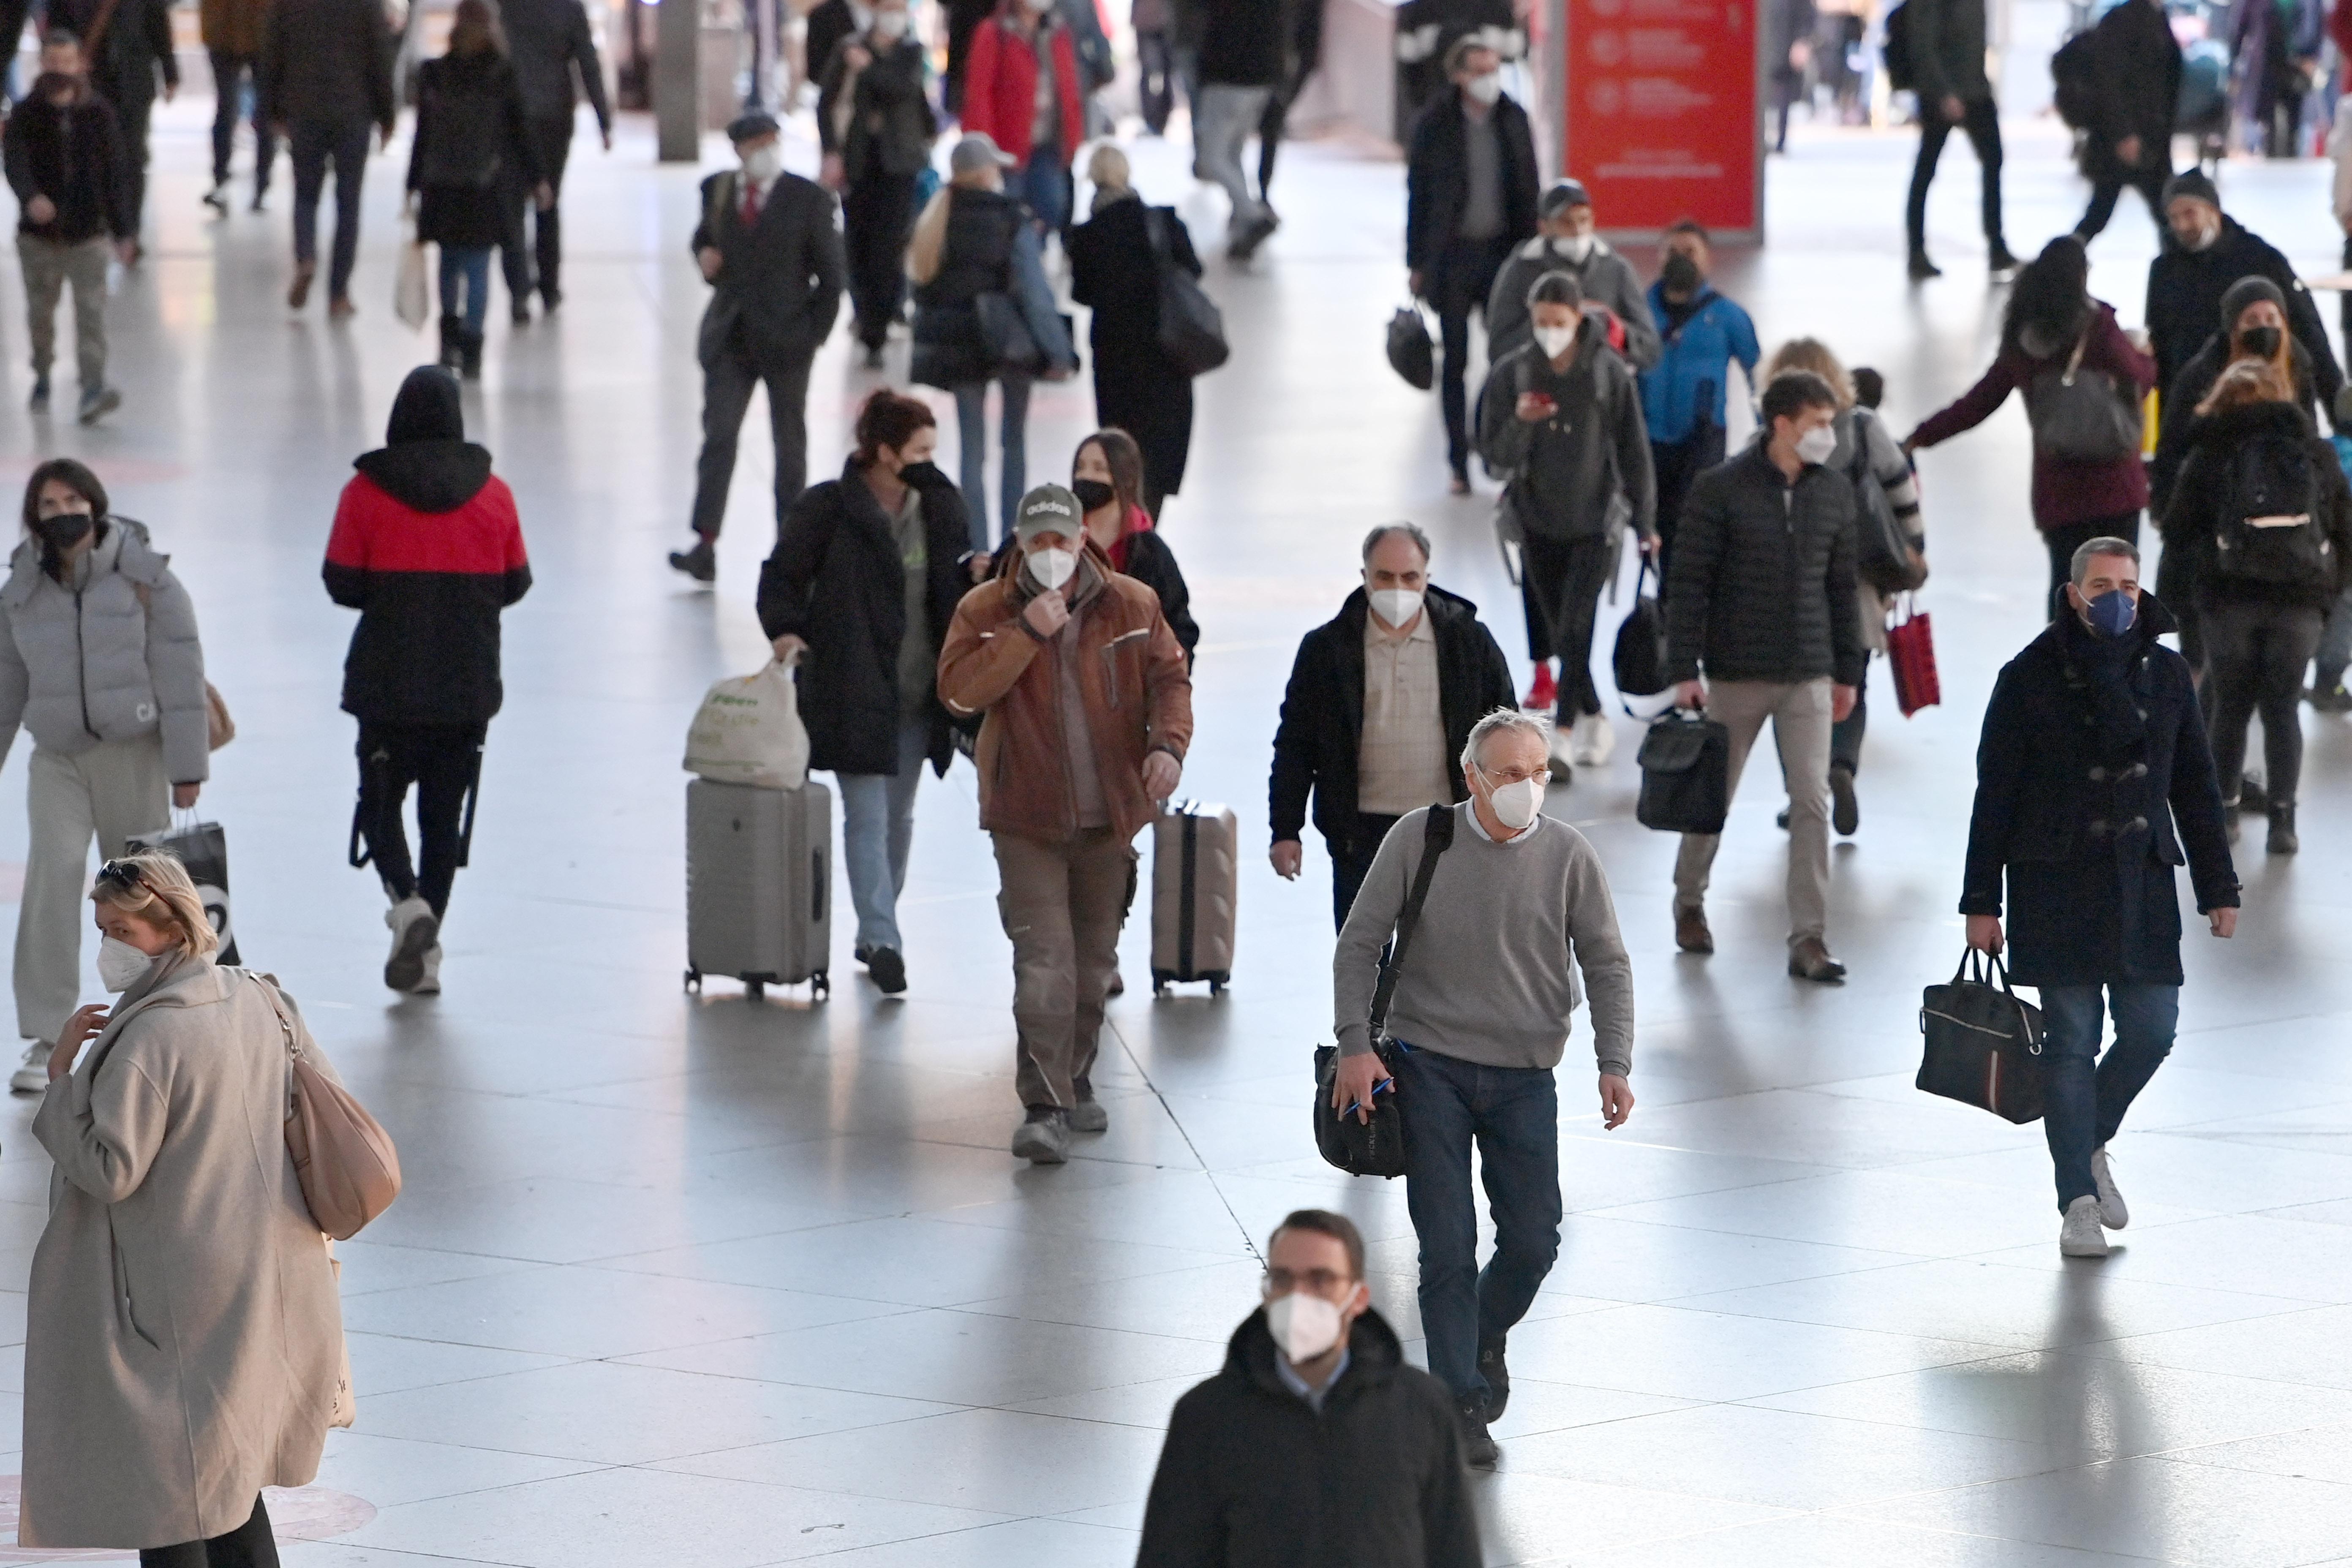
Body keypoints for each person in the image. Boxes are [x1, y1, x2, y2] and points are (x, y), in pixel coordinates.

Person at [17, 853, 342, 1565]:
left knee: (168, 1496)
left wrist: (63, 1078)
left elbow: (110, 1169)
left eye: (122, 929)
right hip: (264, 1273)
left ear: (170, 927)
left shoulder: (150, 1039)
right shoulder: (259, 996)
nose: (109, 947)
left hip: (177, 1292)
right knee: (227, 1481)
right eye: (102, 929)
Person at [1331, 708, 1634, 1466]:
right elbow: (1359, 943)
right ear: (1471, 776)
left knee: (1533, 1240)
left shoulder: (1569, 854)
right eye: (1508, 774)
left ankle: (1480, 1334)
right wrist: (1355, 1047)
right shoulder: (1419, 837)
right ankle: (1459, 1401)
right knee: (1446, 1245)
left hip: (1526, 1074)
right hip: (1426, 1062)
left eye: (1537, 773)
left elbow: (1606, 961)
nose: (1526, 788)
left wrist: (1614, 1060)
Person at [1960, 538, 2238, 1258]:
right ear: (2073, 593)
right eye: (2100, 584)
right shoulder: (2026, 677)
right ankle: (2075, 1202)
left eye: (2127, 584)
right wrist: (1978, 900)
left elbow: (2196, 789)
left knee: (2152, 1027)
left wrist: (2218, 886)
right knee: (2071, 1041)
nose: (2116, 596)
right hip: (2054, 880)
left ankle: (2087, 1141)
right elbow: (1994, 794)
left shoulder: (2169, 673)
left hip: (2139, 877)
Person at [937, 484, 1193, 1165]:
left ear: (1084, 540)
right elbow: (959, 693)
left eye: (1062, 539)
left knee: (1091, 965)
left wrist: (1167, 747)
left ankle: (1076, 1077)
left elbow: (1172, 677)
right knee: (1044, 963)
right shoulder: (985, 610)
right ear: (1019, 543)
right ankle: (1044, 1104)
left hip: (1109, 818)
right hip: (1025, 817)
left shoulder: (1132, 605)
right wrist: (1026, 636)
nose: (1050, 552)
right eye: (1037, 540)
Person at [0, 460, 208, 1094]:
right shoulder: (22, 589)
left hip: (134, 751)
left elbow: (181, 672)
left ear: (96, 504)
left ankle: (153, 1016)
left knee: (141, 891)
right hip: (58, 757)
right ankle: (45, 1035)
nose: (63, 511)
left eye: (73, 498)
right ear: (35, 516)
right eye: (49, 503)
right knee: (55, 876)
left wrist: (187, 768)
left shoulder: (146, 577)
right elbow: (8, 683)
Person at [325, 367, 531, 996]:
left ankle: (407, 906)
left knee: (381, 802)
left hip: (387, 682)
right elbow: (516, 583)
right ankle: (426, 951)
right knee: (444, 820)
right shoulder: (494, 495)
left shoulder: (365, 491)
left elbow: (341, 582)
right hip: (465, 685)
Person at [759, 392, 971, 996]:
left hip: (916, 691)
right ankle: (883, 938)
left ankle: (876, 926)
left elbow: (953, 579)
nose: (931, 462)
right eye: (920, 450)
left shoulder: (937, 508)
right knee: (867, 816)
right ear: (883, 452)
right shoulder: (828, 509)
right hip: (851, 686)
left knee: (899, 818)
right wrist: (787, 631)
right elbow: (782, 576)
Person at [1135, 1209, 1482, 1568]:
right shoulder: (1207, 1416)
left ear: (1358, 1297)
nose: (1298, 1298)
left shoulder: (1421, 1407)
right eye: (1283, 1280)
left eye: (1320, 1280)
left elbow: (1454, 1551)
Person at [1665, 370, 1862, 980]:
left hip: (1808, 672)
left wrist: (1848, 671)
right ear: (1782, 424)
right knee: (1712, 797)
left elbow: (1842, 587)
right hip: (1737, 672)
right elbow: (1690, 583)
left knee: (1811, 799)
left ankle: (1809, 937)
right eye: (1818, 424)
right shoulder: (1720, 489)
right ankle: (1689, 902)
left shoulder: (1833, 493)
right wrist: (1683, 668)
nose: (1828, 435)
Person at [1269, 522, 1515, 930]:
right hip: (1360, 840)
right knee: (1365, 966)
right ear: (1365, 577)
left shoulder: (1469, 643)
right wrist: (1285, 829)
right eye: (1385, 577)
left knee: (1447, 965)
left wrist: (1510, 820)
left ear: (1427, 579)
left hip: (1450, 830)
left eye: (1410, 577)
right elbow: (1295, 746)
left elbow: (1508, 736)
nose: (1397, 588)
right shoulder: (1326, 651)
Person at [2158, 359, 2351, 853]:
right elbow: (2346, 527)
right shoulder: (2314, 451)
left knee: (2231, 706)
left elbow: (2178, 531)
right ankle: (2284, 822)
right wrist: (2327, 594)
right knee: (2283, 708)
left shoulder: (2210, 452)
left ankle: (2224, 814)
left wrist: (2193, 593)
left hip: (2229, 602)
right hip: (2300, 603)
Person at [1904, 237, 2153, 602]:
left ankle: (2063, 659)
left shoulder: (2024, 340)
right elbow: (2140, 377)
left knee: (2067, 590)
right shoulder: (2099, 327)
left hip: (2059, 491)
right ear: (2082, 275)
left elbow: (1979, 403)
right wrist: (2147, 357)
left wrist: (1919, 437)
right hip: (2115, 487)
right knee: (2118, 594)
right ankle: (2116, 660)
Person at [1477, 271, 1655, 775]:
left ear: (1579, 319)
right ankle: (1595, 714)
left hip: (1595, 522)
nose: (1550, 330)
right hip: (1535, 521)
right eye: (1541, 322)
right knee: (1559, 630)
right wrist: (1521, 422)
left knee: (1579, 622)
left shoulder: (1608, 373)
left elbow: (1633, 451)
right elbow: (1493, 456)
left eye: (1559, 322)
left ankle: (1564, 730)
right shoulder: (1514, 373)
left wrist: (1646, 522)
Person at [667, 112, 847, 584]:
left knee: (789, 444)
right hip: (731, 336)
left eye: (773, 140)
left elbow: (832, 276)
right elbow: (704, 240)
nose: (767, 149)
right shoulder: (719, 191)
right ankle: (705, 542)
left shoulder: (808, 199)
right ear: (739, 150)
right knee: (719, 436)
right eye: (757, 142)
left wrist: (813, 335)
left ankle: (792, 545)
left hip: (788, 340)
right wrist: (704, 258)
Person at [1759, 338, 1924, 838]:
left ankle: (1801, 795)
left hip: (1788, 586)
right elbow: (1901, 487)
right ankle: (1842, 766)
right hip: (1859, 576)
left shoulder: (1771, 433)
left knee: (1791, 692)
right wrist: (1911, 555)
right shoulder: (1863, 426)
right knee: (1852, 683)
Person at [909, 133, 1078, 550]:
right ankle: (1012, 540)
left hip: (961, 347)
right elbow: (1035, 294)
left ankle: (977, 546)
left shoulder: (936, 220)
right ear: (985, 173)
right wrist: (1060, 352)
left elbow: (923, 289)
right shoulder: (1010, 218)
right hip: (1010, 344)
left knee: (971, 450)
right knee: (1014, 442)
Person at [1404, 37, 1539, 495]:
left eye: (1495, 68)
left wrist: (1533, 253)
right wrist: (1416, 261)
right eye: (1480, 70)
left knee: (1508, 358)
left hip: (1504, 255)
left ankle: (1500, 450)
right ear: (1459, 76)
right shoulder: (1435, 124)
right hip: (1453, 257)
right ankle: (1458, 460)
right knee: (1456, 360)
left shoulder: (1514, 118)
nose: (1490, 78)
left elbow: (1530, 186)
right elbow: (1418, 196)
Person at [408, 0, 549, 380]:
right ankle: (473, 350)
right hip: (484, 187)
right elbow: (521, 131)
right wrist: (539, 179)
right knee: (477, 267)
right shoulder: (502, 74)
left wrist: (412, 183)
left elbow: (422, 135)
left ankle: (446, 343)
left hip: (441, 186)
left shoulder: (435, 74)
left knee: (449, 265)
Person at [4, 32, 132, 423]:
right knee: (41, 314)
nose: (60, 69)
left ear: (80, 65)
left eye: (67, 61)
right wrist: (30, 198)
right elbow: (15, 163)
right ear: (43, 65)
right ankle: (42, 370)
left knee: (91, 313)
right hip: (38, 239)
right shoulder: (25, 115)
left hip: (87, 235)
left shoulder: (99, 114)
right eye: (52, 61)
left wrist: (123, 230)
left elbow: (116, 174)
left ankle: (93, 387)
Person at [1068, 145, 1200, 520]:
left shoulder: (1089, 235)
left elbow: (1083, 293)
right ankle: (1148, 530)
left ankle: (1125, 527)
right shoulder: (1163, 222)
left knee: (1122, 449)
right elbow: (1194, 269)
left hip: (1116, 359)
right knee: (1160, 452)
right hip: (1169, 353)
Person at [2143, 169, 2339, 418]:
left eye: (2190, 214)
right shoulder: (2164, 270)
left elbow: (2307, 329)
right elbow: (2157, 339)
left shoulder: (2261, 259)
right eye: (2174, 218)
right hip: (2190, 405)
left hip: (2259, 401)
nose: (2181, 226)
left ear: (2214, 211)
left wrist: (2338, 407)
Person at [259, 0, 397, 317]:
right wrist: (388, 116)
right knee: (348, 204)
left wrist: (271, 111)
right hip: (353, 111)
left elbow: (272, 56)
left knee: (306, 195)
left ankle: (306, 258)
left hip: (303, 109)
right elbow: (380, 57)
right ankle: (338, 295)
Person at [1641, 219, 1759, 583]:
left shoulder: (1728, 316)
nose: (1681, 259)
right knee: (1655, 531)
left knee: (1692, 531)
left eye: (1690, 252)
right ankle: (1664, 611)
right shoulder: (1638, 312)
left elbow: (1759, 377)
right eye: (1672, 252)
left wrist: (1768, 435)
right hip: (1648, 441)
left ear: (1707, 260)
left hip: (1704, 440)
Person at [817, 0, 934, 369]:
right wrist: (831, 151)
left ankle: (878, 326)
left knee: (889, 243)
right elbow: (827, 103)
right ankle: (865, 314)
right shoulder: (848, 47)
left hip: (899, 164)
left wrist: (869, 68)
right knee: (857, 242)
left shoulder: (912, 52)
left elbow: (901, 88)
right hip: (859, 163)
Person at [2152, 275, 2330, 517]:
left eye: (2271, 318)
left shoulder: (2298, 369)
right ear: (2234, 328)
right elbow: (2173, 444)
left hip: (2285, 508)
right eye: (2252, 320)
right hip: (2217, 503)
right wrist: (2166, 507)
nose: (2264, 327)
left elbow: (2309, 438)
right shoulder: (2202, 374)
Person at [498, 0, 614, 318]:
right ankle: (549, 287)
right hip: (554, 114)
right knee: (549, 199)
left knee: (513, 204)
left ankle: (519, 291)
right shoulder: (568, 7)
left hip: (511, 112)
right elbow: (588, 62)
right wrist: (603, 118)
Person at [1484, 179, 1661, 370]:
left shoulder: (1616, 269)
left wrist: (1612, 328)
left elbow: (1650, 349)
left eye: (1583, 220)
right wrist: (1547, 324)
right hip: (1538, 382)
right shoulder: (1521, 269)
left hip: (1599, 385)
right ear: (1544, 227)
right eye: (1566, 222)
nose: (1578, 230)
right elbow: (1498, 348)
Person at [1902, 0, 2017, 279]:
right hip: (1942, 92)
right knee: (1926, 169)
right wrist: (1944, 92)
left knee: (1993, 160)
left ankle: (1997, 247)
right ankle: (1916, 251)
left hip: (1975, 89)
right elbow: (1923, 43)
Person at [51, 0, 174, 248]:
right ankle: (96, 224)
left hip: (134, 83)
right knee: (90, 154)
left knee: (133, 156)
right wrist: (65, 63)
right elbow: (57, 27)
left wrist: (171, 74)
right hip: (90, 85)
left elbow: (158, 26)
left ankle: (129, 231)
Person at [959, 0, 1083, 240]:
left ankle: (1037, 260)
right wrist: (984, 151)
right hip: (1005, 150)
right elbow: (979, 95)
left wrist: (1073, 138)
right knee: (1008, 218)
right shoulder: (994, 32)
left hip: (1049, 144)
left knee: (1053, 208)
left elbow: (1070, 90)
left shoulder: (1059, 32)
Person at [1070, 430, 1198, 657]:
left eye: (1100, 469)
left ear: (1126, 478)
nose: (1086, 476)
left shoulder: (1151, 552)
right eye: (1080, 467)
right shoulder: (1056, 536)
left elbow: (1180, 627)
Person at [2071, 0, 2179, 245]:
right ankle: (2058, 265)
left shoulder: (2156, 17)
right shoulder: (2123, 21)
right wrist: (2123, 134)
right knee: (2101, 214)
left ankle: (2059, 263)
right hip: (2126, 141)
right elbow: (2109, 84)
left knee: (2168, 215)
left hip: (2149, 138)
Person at [1192, 0, 1285, 259]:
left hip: (1228, 78)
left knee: (1211, 159)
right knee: (1233, 154)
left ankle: (1253, 215)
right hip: (1262, 80)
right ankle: (1243, 226)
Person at [1392, 0, 1520, 139]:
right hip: (1436, 114)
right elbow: (1408, 67)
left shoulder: (1498, 10)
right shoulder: (1416, 12)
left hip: (1486, 119)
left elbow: (1513, 57)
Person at [200, 0, 277, 214]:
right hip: (230, 30)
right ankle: (224, 181)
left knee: (260, 110)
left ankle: (259, 185)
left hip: (254, 29)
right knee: (230, 109)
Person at [2230, 0, 2319, 158]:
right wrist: (2233, 65)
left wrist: (2312, 56)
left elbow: (2317, 24)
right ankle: (2270, 152)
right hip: (2267, 62)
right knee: (2268, 113)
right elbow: (2241, 27)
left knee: (2295, 113)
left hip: (2297, 63)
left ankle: (2292, 154)